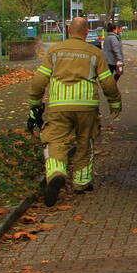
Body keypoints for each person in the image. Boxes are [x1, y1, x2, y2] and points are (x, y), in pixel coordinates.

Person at [27, 16, 121, 206]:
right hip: (86, 106)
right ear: (86, 32)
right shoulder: (94, 52)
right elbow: (107, 81)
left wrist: (35, 102)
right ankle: (82, 183)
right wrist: (115, 103)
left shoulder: (55, 51)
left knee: (55, 140)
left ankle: (56, 173)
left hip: (59, 106)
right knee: (85, 141)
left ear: (69, 31)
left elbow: (40, 79)